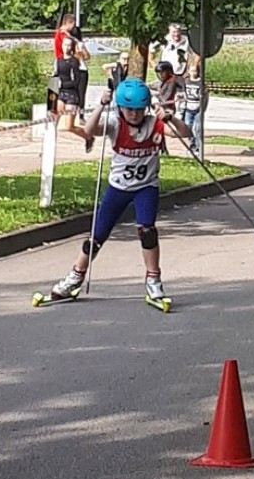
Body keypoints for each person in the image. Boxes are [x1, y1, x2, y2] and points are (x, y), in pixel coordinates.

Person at [44, 78, 191, 303]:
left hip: (146, 188)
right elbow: (89, 130)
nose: (134, 114)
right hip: (118, 188)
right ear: (121, 108)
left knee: (147, 231)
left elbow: (185, 133)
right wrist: (101, 104)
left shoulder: (154, 123)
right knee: (96, 236)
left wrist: (170, 118)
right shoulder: (115, 123)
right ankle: (74, 277)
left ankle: (153, 280)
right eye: (129, 109)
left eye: (139, 109)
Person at [55, 39, 93, 153]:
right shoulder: (58, 60)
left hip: (71, 94)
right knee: (53, 120)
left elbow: (77, 81)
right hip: (61, 93)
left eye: (68, 45)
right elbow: (54, 75)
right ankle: (49, 146)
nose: (66, 47)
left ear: (71, 47)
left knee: (69, 126)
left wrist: (63, 84)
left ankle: (88, 137)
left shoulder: (74, 62)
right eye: (64, 45)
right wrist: (52, 90)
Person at [183, 64, 208, 153]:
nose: (193, 73)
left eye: (195, 71)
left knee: (198, 128)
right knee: (187, 126)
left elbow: (205, 96)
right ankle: (191, 144)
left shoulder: (201, 82)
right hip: (188, 108)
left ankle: (198, 146)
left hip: (198, 108)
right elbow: (183, 92)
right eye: (191, 71)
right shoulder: (186, 81)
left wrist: (203, 108)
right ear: (188, 71)